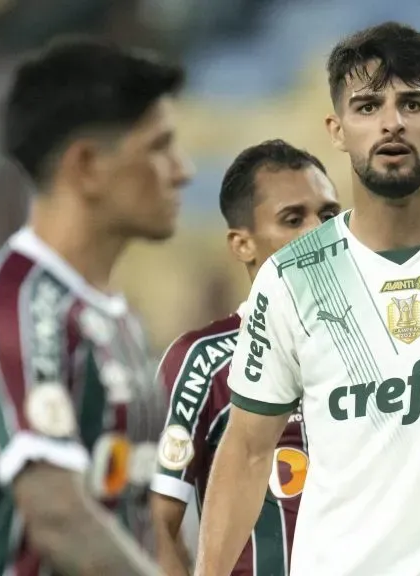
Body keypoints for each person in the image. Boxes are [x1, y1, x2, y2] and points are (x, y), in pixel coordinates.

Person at [195, 22, 420, 576]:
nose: (391, 122)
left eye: (411, 103)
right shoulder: (289, 278)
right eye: (367, 107)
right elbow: (247, 451)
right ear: (337, 129)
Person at [0, 36, 193, 575]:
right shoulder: (16, 306)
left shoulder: (110, 313)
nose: (182, 170)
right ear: (89, 166)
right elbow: (58, 516)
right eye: (159, 147)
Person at [149, 139, 341, 575]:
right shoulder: (203, 361)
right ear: (242, 245)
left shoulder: (381, 352)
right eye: (293, 219)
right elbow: (155, 521)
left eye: (329, 216)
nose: (319, 233)